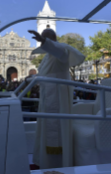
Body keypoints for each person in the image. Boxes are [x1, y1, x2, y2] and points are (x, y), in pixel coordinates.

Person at [28, 29, 85, 169]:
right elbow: (45, 74)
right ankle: (45, 163)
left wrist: (43, 41)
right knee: (46, 129)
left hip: (57, 98)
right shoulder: (48, 56)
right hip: (48, 96)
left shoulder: (62, 51)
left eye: (45, 38)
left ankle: (58, 165)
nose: (42, 40)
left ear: (53, 38)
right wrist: (32, 79)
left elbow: (59, 51)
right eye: (42, 38)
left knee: (56, 131)